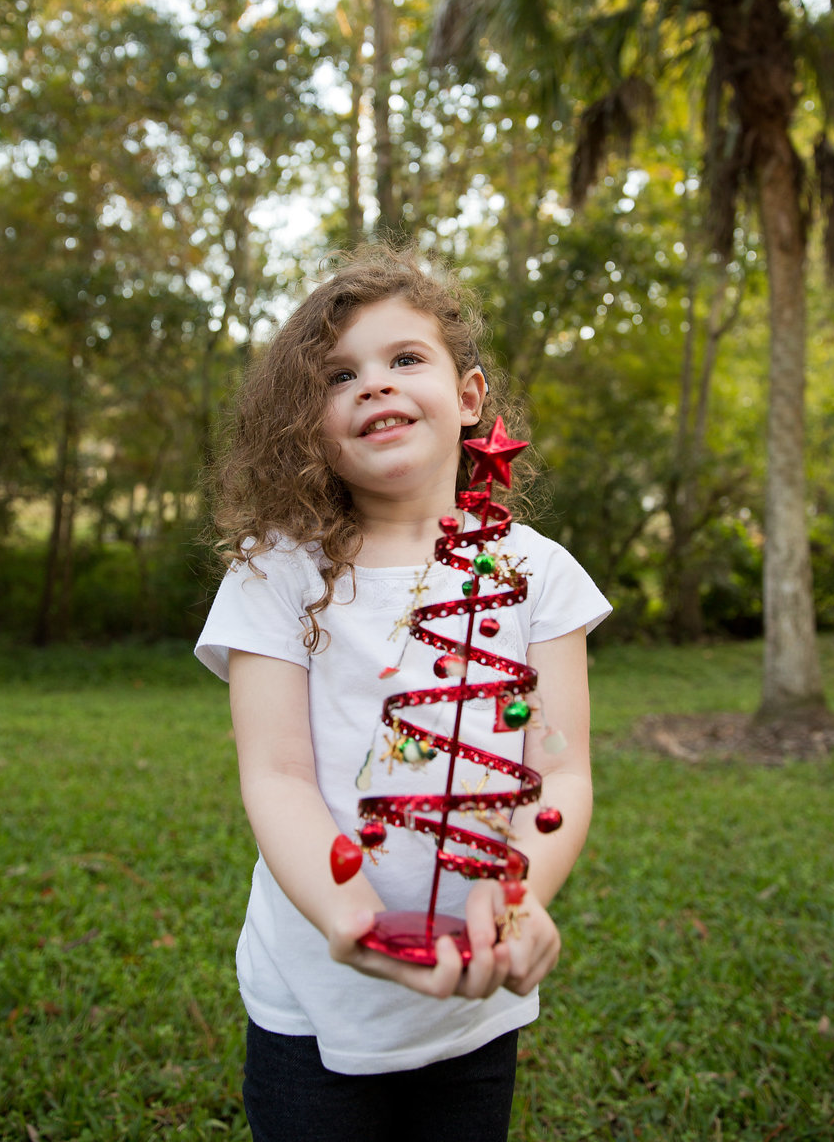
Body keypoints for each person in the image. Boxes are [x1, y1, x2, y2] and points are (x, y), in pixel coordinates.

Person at [195, 246, 611, 1142]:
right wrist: (353, 917)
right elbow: (276, 777)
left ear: (469, 399)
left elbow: (560, 774)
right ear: (309, 426)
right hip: (314, 993)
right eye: (340, 374)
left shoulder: (538, 575)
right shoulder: (276, 574)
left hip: (476, 990)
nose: (375, 384)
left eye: (404, 359)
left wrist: (522, 897)